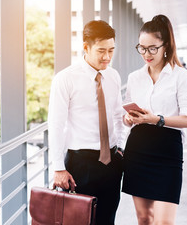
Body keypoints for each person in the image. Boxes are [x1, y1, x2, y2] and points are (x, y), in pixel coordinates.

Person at [122, 14, 187, 225]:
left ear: (166, 46)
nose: (147, 53)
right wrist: (129, 118)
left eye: (152, 48)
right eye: (142, 48)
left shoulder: (181, 77)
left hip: (168, 152)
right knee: (144, 218)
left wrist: (157, 119)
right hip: (138, 149)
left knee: (164, 222)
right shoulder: (135, 78)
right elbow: (127, 118)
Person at [48, 20, 125, 225]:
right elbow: (55, 124)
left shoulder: (114, 76)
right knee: (78, 222)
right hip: (80, 165)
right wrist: (58, 167)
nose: (107, 57)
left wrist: (121, 148)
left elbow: (118, 115)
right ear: (85, 47)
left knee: (107, 220)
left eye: (111, 50)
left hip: (111, 163)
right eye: (101, 50)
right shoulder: (65, 79)